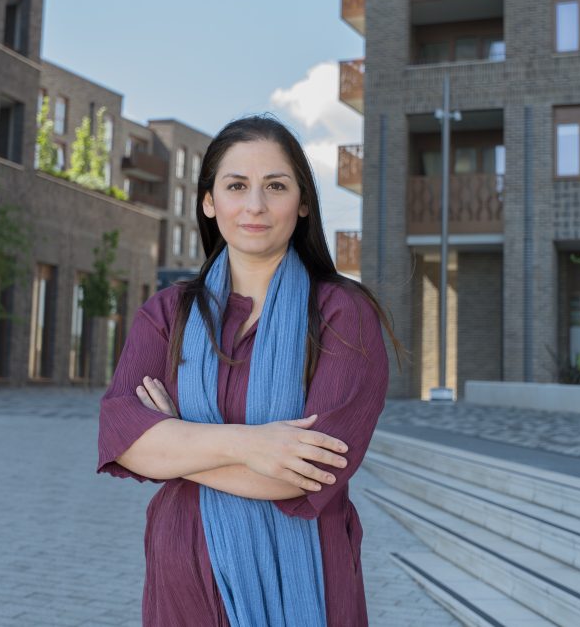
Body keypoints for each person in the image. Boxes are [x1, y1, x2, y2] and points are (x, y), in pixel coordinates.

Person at [96, 114, 402, 626]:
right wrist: (252, 445)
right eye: (236, 185)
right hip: (182, 586)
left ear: (303, 202)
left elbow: (306, 474)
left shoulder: (343, 314)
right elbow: (121, 436)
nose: (255, 205)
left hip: (305, 582)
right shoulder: (170, 313)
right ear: (210, 201)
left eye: (275, 186)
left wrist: (173, 443)